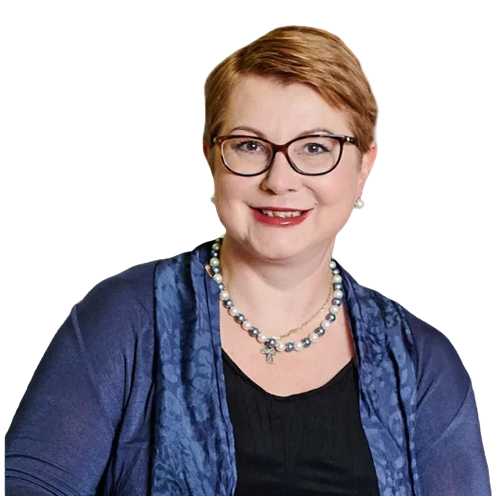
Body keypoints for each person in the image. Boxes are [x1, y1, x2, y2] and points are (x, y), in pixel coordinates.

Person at [4, 25, 490, 496]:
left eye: (315, 148)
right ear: (209, 156)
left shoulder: (425, 363)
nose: (279, 180)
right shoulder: (123, 318)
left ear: (365, 164)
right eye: (249, 145)